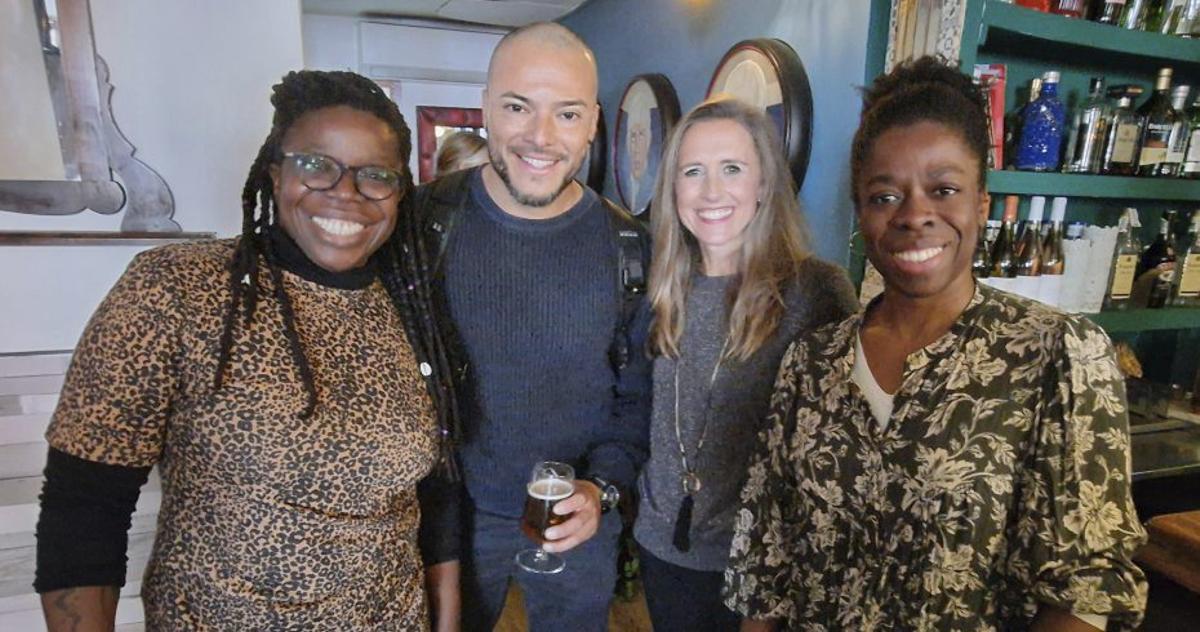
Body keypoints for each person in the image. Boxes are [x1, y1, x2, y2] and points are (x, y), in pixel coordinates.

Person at [724, 57, 1148, 631]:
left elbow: (1085, 586)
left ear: (981, 203)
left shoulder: (1057, 354)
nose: (915, 215)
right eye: (884, 197)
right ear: (861, 212)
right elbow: (766, 554)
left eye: (943, 188)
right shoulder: (813, 361)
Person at [34, 70, 459, 630]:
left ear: (399, 192)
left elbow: (437, 497)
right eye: (316, 164)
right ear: (275, 170)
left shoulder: (412, 307)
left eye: (375, 175)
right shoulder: (177, 290)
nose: (345, 192)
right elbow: (84, 509)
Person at [409, 22, 652, 632]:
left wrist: (602, 489)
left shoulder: (631, 249)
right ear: (486, 108)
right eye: (518, 107)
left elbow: (637, 399)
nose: (541, 137)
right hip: (446, 518)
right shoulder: (420, 225)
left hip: (579, 523)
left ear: (593, 124)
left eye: (567, 114)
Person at [633, 97, 856, 631]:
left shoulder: (814, 292)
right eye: (693, 172)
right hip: (663, 549)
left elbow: (839, 453)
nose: (712, 192)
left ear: (763, 185)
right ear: (674, 190)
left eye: (732, 169)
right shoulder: (662, 290)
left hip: (762, 566)